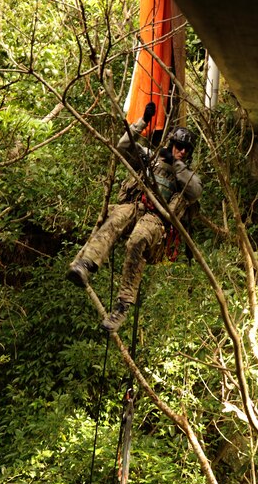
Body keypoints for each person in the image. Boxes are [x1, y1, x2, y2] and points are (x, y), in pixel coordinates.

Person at [67, 102, 202, 333]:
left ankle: (122, 307)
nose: (181, 150)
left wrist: (176, 162)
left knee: (138, 240)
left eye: (185, 149)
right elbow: (123, 145)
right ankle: (86, 264)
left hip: (156, 221)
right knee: (116, 218)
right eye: (178, 146)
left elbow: (194, 192)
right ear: (170, 143)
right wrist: (143, 121)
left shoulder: (187, 176)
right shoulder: (149, 158)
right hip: (135, 207)